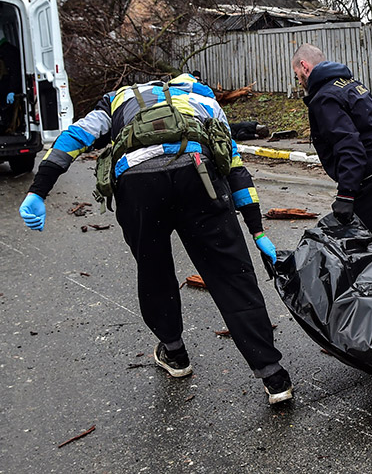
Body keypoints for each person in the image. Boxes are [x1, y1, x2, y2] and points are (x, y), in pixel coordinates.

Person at [16, 72, 294, 405]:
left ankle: (175, 353)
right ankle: (273, 376)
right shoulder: (202, 98)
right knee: (232, 275)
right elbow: (234, 165)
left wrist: (39, 191)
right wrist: (255, 228)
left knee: (155, 271)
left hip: (138, 184)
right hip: (198, 175)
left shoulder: (117, 98)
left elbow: (74, 137)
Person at [291, 43, 372, 243]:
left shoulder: (324, 98)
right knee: (370, 249)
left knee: (342, 246)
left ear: (305, 66)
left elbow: (348, 145)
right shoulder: (349, 85)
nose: (299, 81)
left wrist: (345, 196)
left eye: (297, 75)